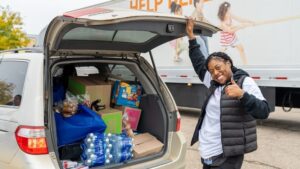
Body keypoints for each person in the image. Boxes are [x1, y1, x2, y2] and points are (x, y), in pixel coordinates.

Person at [186, 17, 270, 169]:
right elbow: (198, 62)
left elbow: (264, 111)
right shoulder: (213, 83)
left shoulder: (244, 82)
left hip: (227, 156)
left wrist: (242, 95)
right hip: (207, 153)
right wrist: (191, 38)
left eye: (218, 67)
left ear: (228, 63)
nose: (216, 73)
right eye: (211, 71)